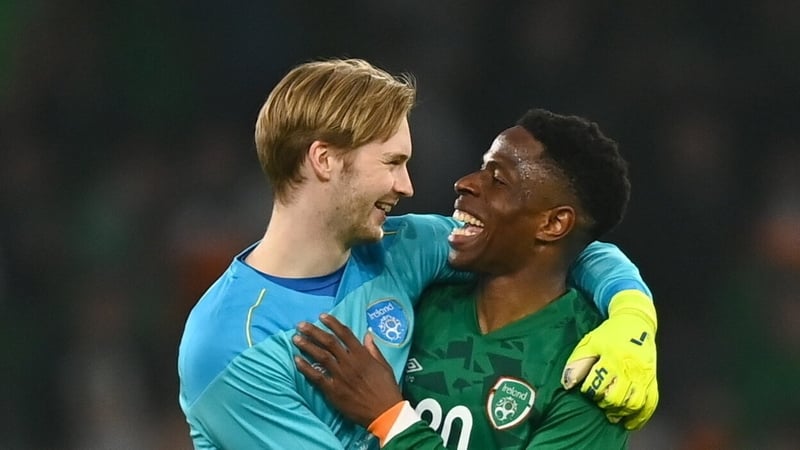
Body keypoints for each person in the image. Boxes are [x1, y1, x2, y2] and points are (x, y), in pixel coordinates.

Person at [177, 59, 657, 449]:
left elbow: (556, 245)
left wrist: (632, 316)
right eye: (392, 162)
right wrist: (391, 417)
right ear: (324, 161)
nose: (407, 186)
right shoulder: (228, 346)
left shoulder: (401, 251)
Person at [293, 108, 655, 449]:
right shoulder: (420, 295)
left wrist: (390, 418)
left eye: (498, 179)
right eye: (482, 168)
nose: (465, 183)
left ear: (552, 224)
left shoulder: (591, 364)